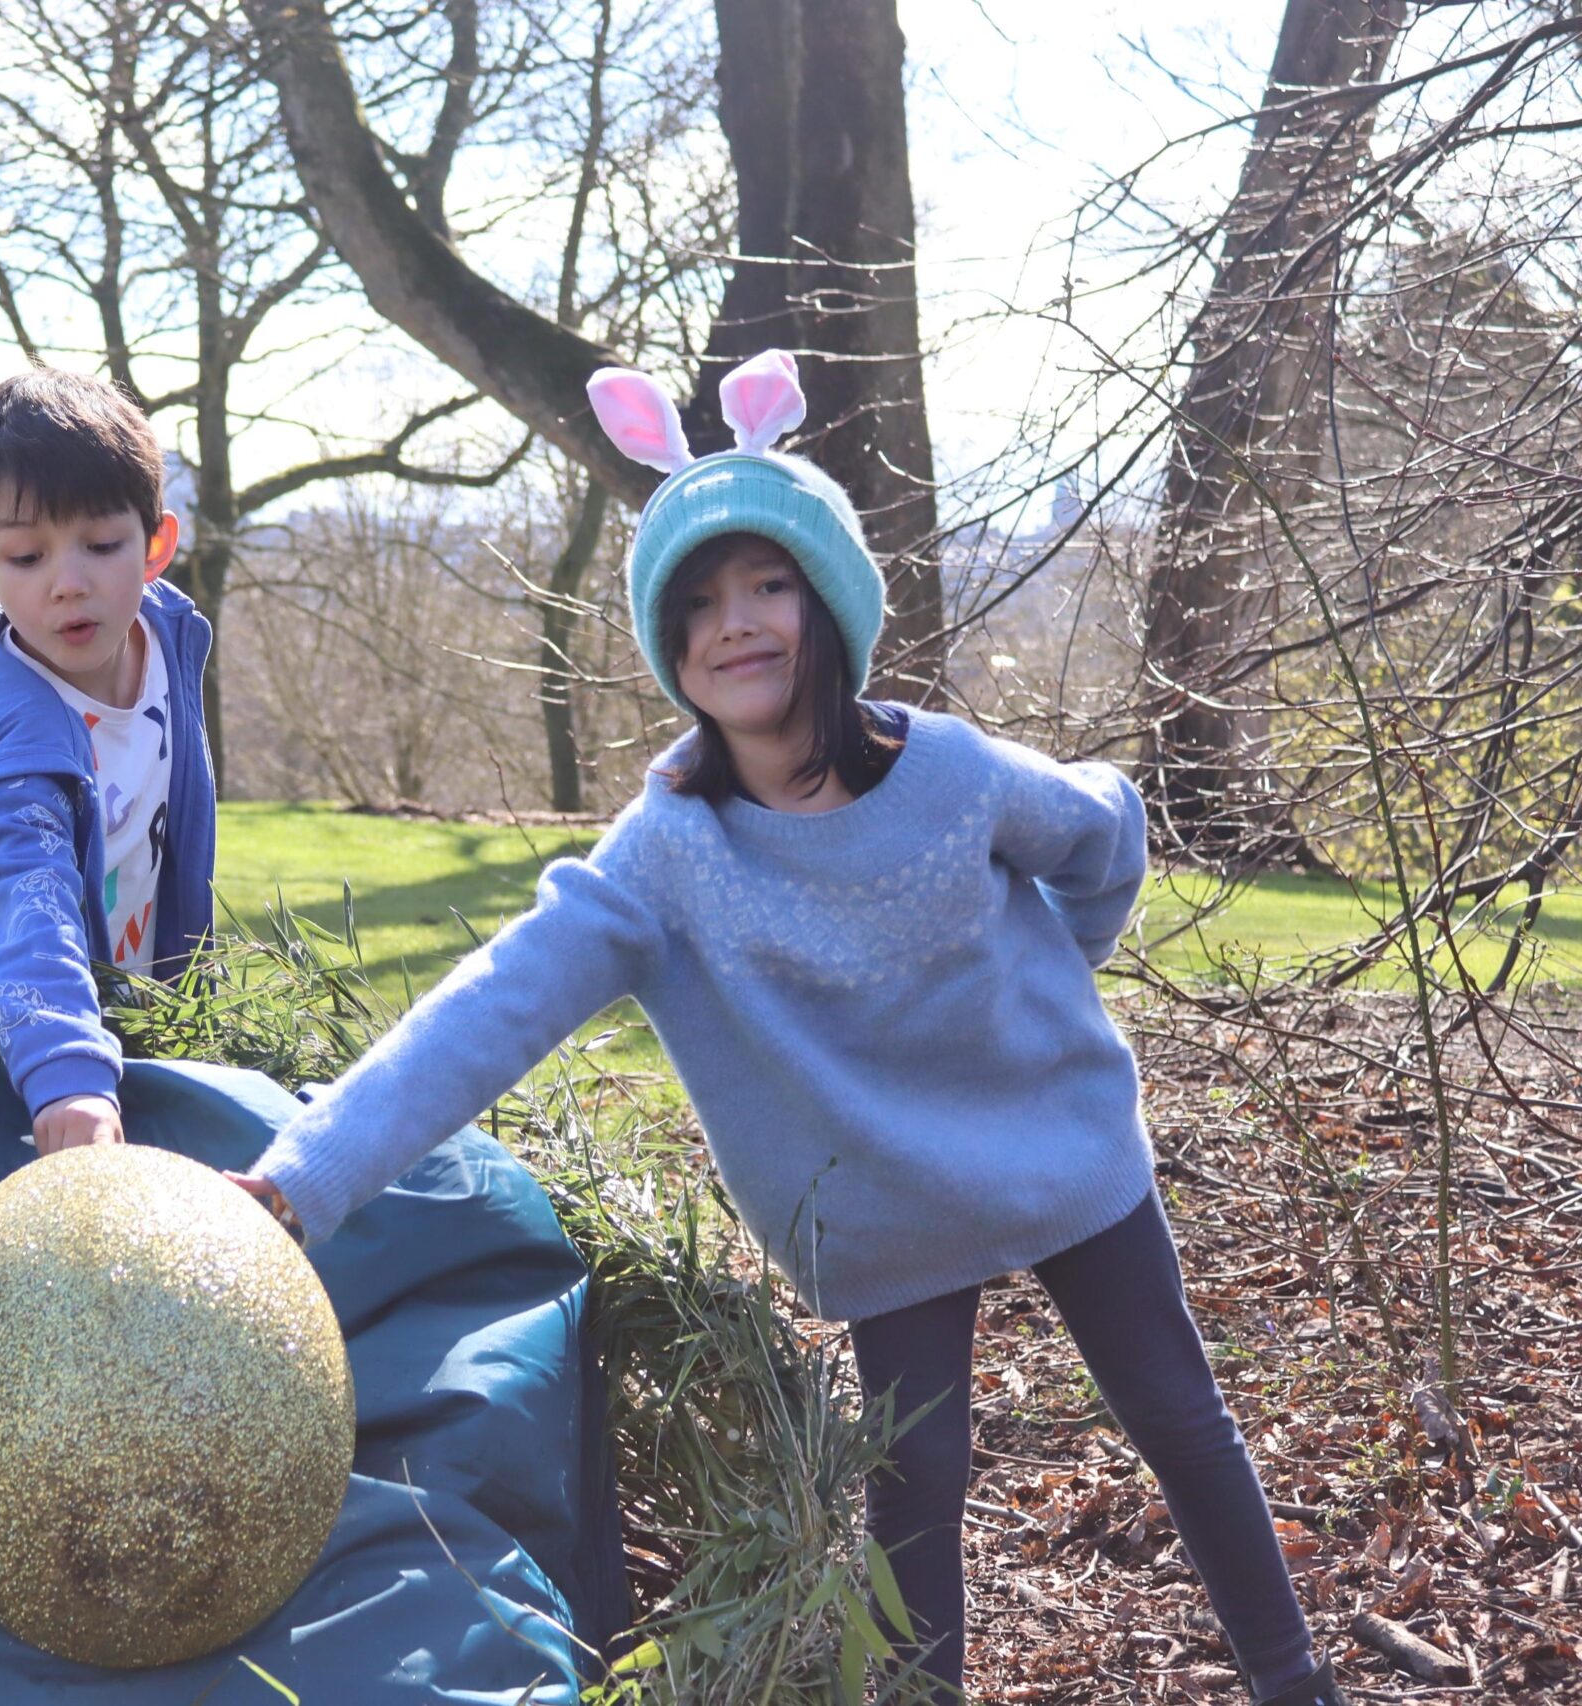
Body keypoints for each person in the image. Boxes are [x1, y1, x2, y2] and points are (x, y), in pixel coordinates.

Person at [231, 352, 1345, 1705]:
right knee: (915, 1479)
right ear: (668, 648)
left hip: (1063, 1146)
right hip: (887, 1209)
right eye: (696, 603)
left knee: (1177, 1411)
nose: (735, 623)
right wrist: (301, 1174)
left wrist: (1061, 978)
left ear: (829, 602)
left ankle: (1295, 1682)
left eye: (766, 583)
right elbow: (491, 1006)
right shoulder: (668, 854)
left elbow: (1104, 827)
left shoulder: (951, 773)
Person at [0, 369, 216, 1152]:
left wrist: (184, 994)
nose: (70, 583)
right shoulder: (10, 736)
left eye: (101, 545)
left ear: (156, 546)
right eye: (28, 556)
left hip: (119, 1019)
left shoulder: (165, 638)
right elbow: (25, 913)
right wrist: (68, 1077)